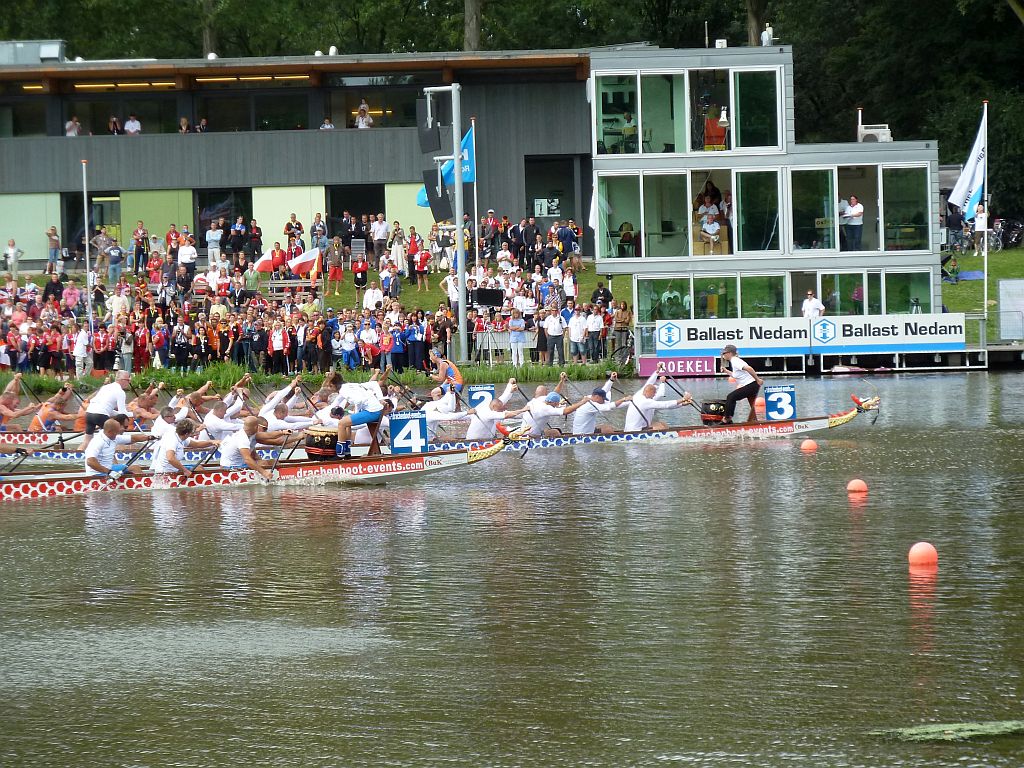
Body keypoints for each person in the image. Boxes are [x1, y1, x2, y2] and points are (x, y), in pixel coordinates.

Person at [623, 368, 692, 431]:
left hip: (639, 428)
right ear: (648, 392)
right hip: (634, 430)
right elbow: (665, 405)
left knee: (662, 424)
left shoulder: (646, 399)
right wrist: (683, 399)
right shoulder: (644, 401)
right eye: (654, 393)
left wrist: (682, 404)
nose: (655, 395)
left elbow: (666, 407)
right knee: (660, 427)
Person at [83, 417, 152, 478]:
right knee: (134, 468)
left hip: (109, 468)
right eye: (117, 432)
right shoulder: (97, 442)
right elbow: (90, 462)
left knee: (135, 467)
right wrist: (109, 472)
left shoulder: (113, 437)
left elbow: (133, 438)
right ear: (110, 432)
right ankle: (146, 486)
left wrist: (148, 437)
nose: (118, 434)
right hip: (96, 474)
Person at [82, 370, 133, 449]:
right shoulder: (120, 392)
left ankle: (78, 454)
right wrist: (133, 414)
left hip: (89, 413)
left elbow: (108, 410)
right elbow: (122, 413)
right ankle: (121, 454)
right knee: (116, 435)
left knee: (87, 440)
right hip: (100, 415)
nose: (129, 382)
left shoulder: (105, 387)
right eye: (128, 380)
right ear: (122, 380)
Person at [150, 418, 219, 476]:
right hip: (165, 473)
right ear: (186, 434)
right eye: (193, 431)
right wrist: (185, 471)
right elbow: (170, 458)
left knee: (199, 467)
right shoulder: (172, 440)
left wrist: (211, 442)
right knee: (199, 469)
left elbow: (196, 444)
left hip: (174, 469)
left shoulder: (180, 436)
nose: (195, 432)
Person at [720, 344, 764, 424]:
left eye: (724, 353)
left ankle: (727, 419)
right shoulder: (734, 361)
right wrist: (726, 371)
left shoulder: (735, 360)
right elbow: (735, 375)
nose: (723, 355)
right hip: (751, 385)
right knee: (752, 404)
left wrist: (758, 379)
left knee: (731, 397)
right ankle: (754, 421)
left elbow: (749, 368)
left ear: (729, 353)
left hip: (751, 385)